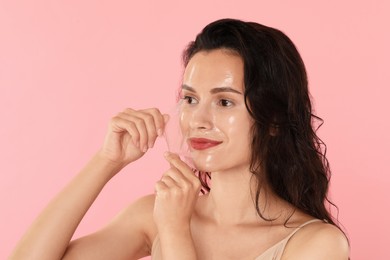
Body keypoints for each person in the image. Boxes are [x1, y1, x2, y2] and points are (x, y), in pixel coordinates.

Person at [10, 18, 349, 260]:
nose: (198, 120)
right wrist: (106, 161)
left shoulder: (316, 245)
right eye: (189, 99)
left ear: (273, 119)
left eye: (224, 101)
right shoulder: (155, 214)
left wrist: (173, 233)